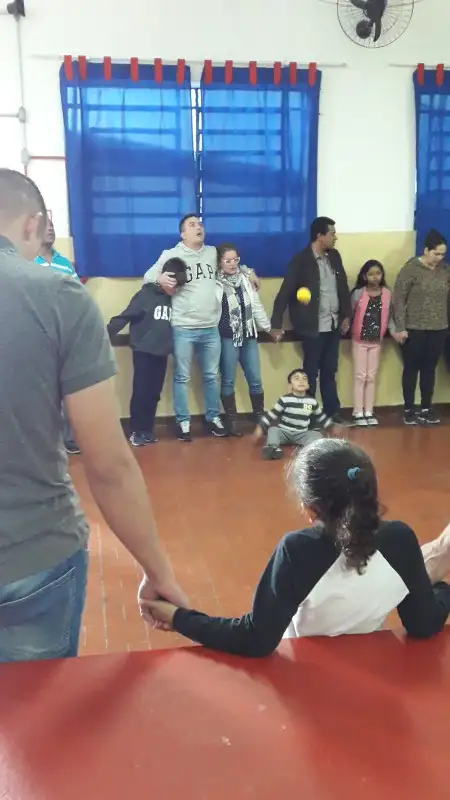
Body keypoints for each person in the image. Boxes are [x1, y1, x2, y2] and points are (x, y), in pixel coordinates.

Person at [0, 169, 186, 663]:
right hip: (32, 556)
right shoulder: (58, 296)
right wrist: (158, 571)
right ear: (33, 224)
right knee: (39, 708)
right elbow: (108, 464)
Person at [144, 439, 450, 657]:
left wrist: (178, 617)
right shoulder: (401, 540)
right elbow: (424, 624)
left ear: (309, 509)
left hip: (305, 679)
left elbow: (256, 638)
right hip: (370, 678)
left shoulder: (298, 550)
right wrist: (439, 588)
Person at [143, 215, 259, 442]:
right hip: (183, 327)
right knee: (182, 377)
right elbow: (148, 276)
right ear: (183, 234)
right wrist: (160, 279)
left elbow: (232, 263)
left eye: (200, 224)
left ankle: (213, 419)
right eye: (192, 225)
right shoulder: (171, 254)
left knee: (212, 376)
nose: (198, 227)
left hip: (210, 328)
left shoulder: (212, 252)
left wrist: (249, 271)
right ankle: (183, 422)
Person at [271, 217, 351, 424]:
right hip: (312, 327)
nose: (335, 237)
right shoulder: (301, 260)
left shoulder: (335, 257)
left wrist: (346, 316)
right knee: (310, 373)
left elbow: (343, 287)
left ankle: (332, 412)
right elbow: (285, 292)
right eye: (332, 233)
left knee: (330, 371)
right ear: (320, 236)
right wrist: (276, 324)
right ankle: (309, 415)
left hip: (333, 325)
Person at [108, 258, 187, 447]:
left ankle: (147, 430)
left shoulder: (174, 299)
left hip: (162, 352)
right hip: (143, 351)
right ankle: (136, 431)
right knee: (141, 392)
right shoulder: (145, 295)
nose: (177, 289)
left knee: (154, 393)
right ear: (167, 278)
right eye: (175, 284)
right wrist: (105, 335)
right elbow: (125, 316)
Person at [216, 243, 279, 436]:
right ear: (219, 262)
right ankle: (231, 420)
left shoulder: (245, 278)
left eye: (236, 260)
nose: (232, 264)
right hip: (227, 337)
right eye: (228, 260)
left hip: (249, 336)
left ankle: (259, 417)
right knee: (228, 380)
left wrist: (268, 329)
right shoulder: (214, 282)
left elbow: (256, 306)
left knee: (255, 379)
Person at [394, 229, 450, 426]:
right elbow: (398, 299)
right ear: (426, 250)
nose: (439, 258)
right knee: (411, 368)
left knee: (430, 369)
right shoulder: (410, 269)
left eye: (443, 254)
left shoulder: (445, 271)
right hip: (414, 327)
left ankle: (426, 407)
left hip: (439, 327)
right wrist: (400, 327)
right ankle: (409, 409)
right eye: (436, 254)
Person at [35, 217, 81, 454]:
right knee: (42, 391)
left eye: (53, 227)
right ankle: (46, 441)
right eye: (47, 227)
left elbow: (77, 295)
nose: (51, 230)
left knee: (67, 389)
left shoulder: (64, 264)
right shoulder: (27, 262)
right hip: (37, 335)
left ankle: (69, 438)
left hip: (64, 334)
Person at [350, 260, 399, 427]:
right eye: (370, 274)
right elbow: (349, 314)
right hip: (359, 341)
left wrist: (395, 333)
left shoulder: (387, 294)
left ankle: (369, 410)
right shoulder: (358, 293)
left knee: (371, 377)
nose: (375, 277)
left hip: (376, 342)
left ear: (382, 275)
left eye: (378, 273)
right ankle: (358, 411)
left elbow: (390, 318)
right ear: (364, 276)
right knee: (360, 376)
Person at [254, 368, 333, 460]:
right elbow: (272, 414)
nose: (301, 381)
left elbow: (321, 416)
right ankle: (273, 448)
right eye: (296, 378)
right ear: (290, 385)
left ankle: (310, 451)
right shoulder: (285, 399)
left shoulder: (312, 401)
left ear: (308, 385)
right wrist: (261, 426)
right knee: (273, 430)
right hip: (284, 432)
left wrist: (331, 426)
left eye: (304, 378)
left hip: (302, 433)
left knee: (317, 434)